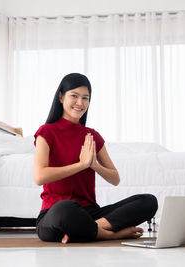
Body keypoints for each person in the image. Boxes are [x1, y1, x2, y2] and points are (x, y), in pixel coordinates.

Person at [33, 73, 158, 243]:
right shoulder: (46, 132)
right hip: (56, 214)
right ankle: (108, 233)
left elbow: (115, 179)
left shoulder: (92, 135)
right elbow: (39, 177)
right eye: (74, 96)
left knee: (148, 201)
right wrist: (81, 164)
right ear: (61, 97)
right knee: (65, 208)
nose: (80, 103)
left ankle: (88, 228)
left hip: (89, 212)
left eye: (85, 98)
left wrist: (94, 165)